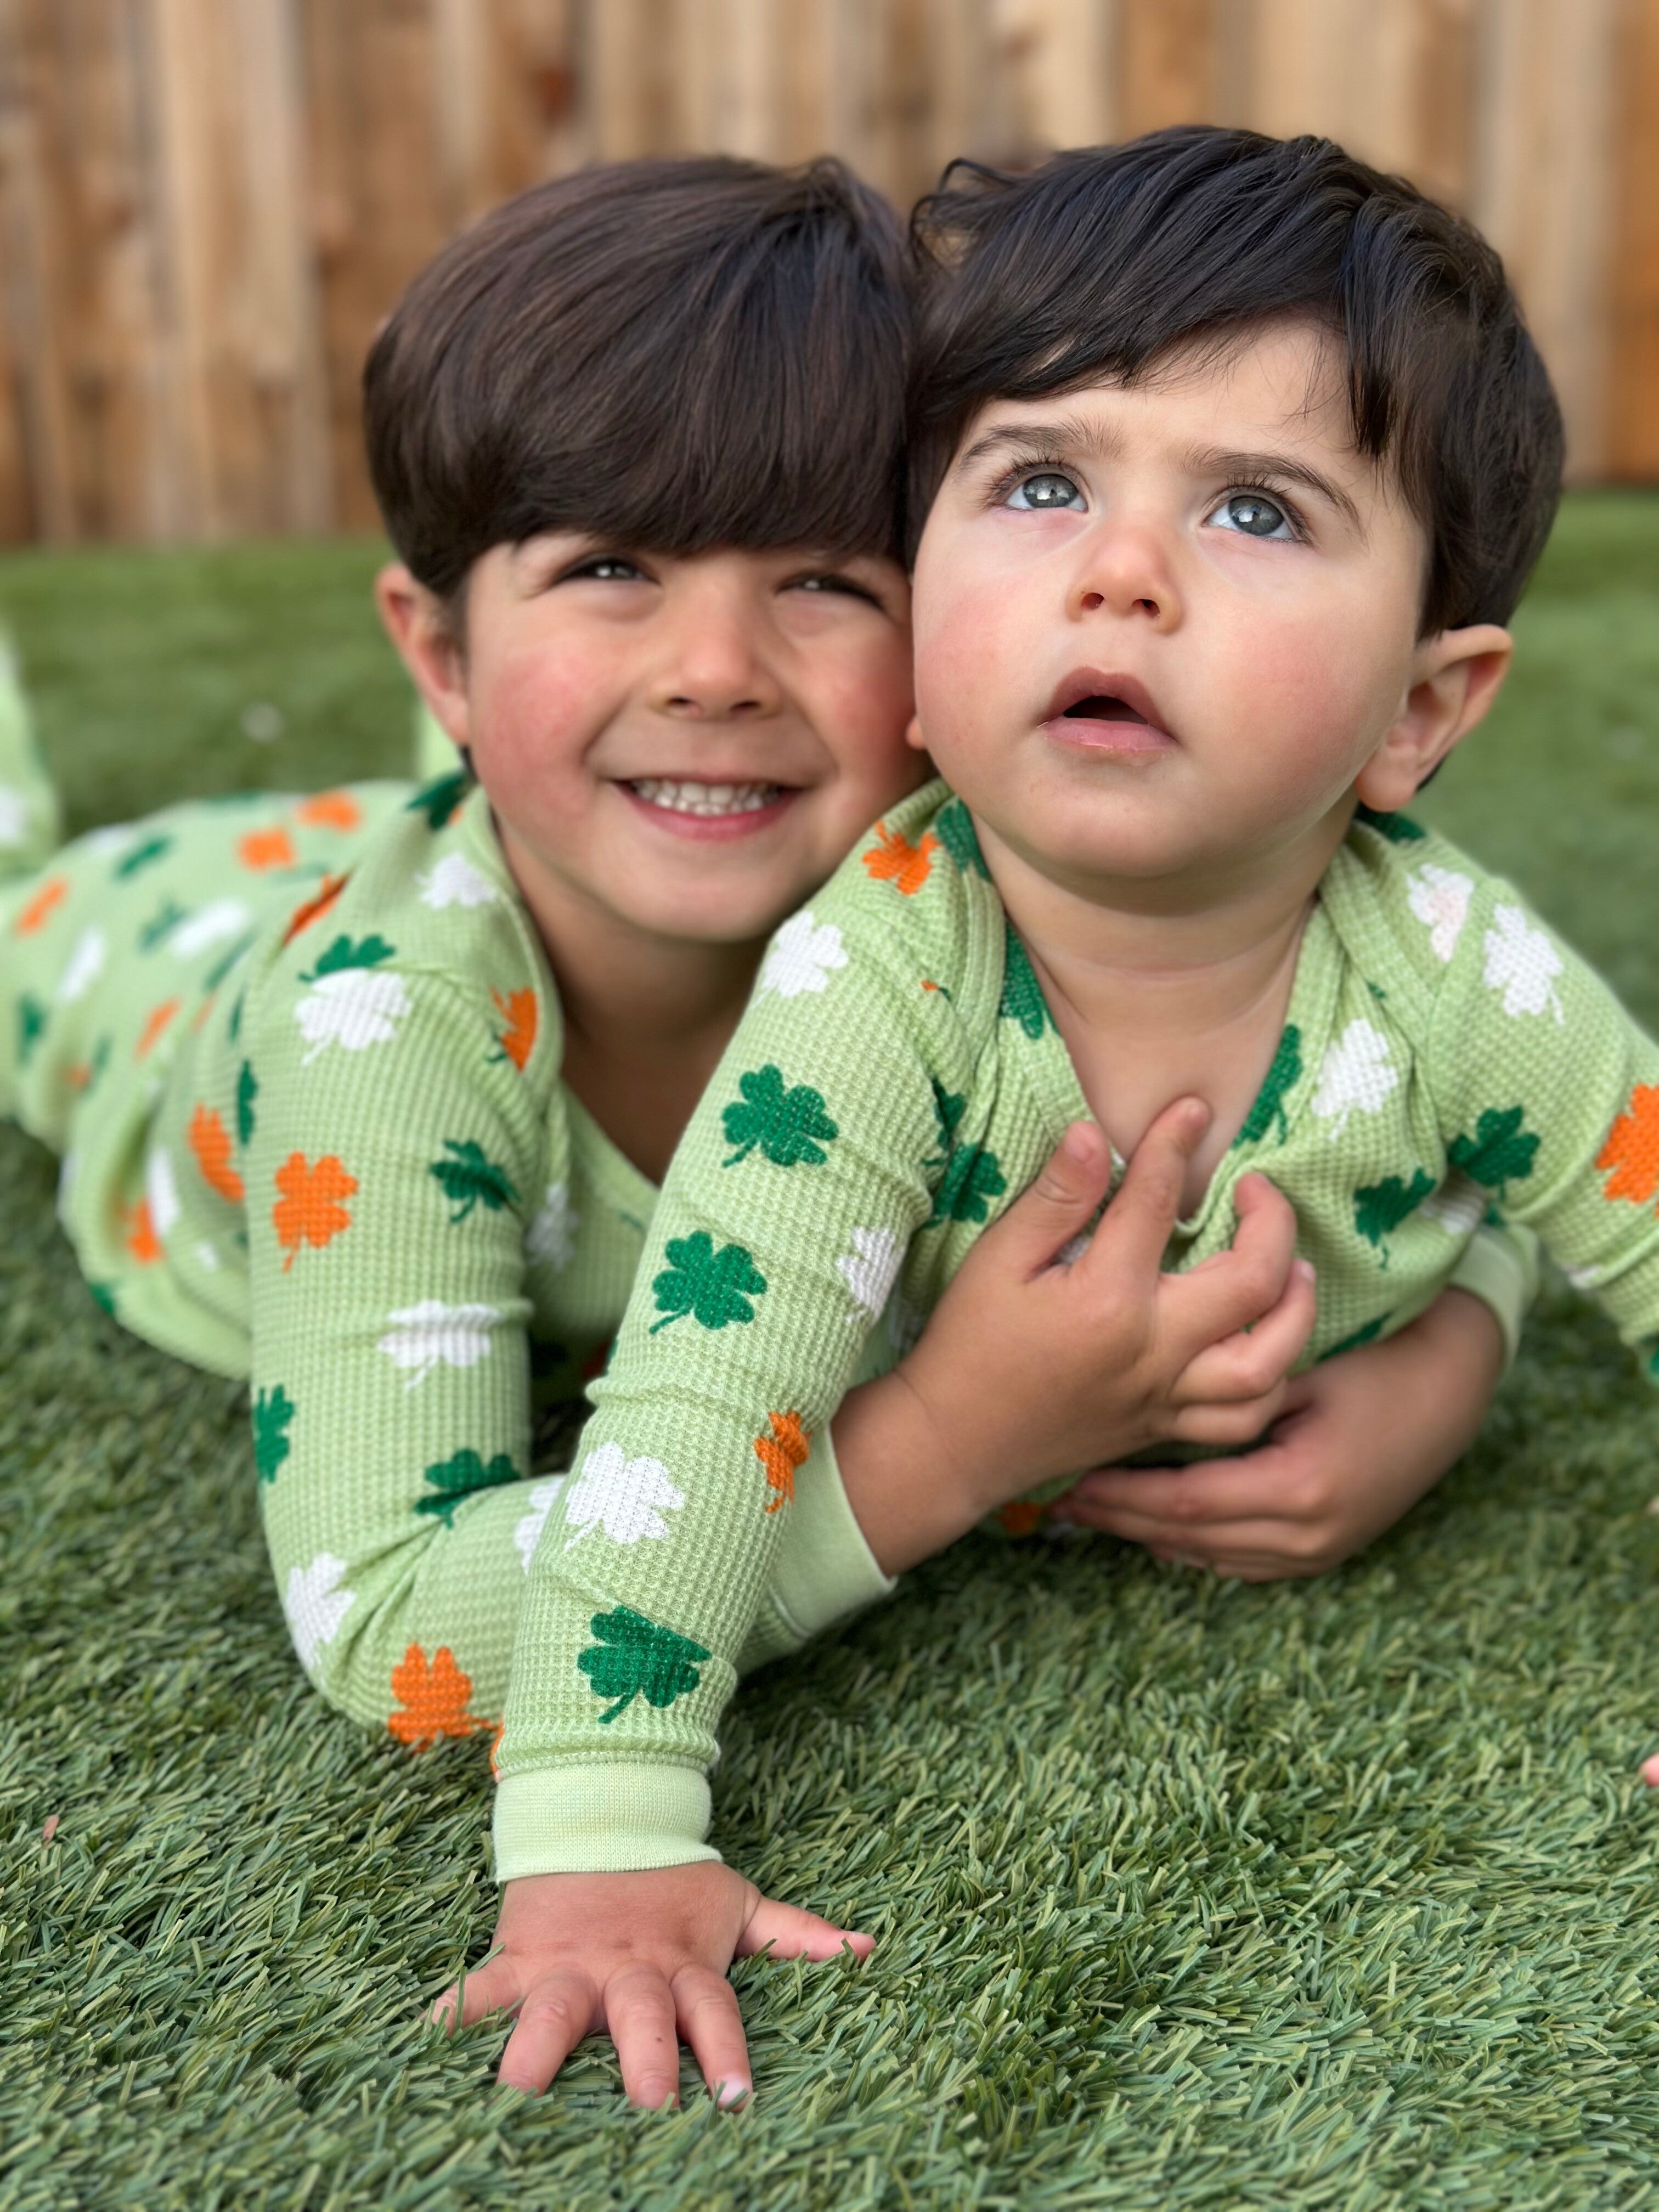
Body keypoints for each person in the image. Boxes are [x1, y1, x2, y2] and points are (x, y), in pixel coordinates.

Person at [0, 147, 1530, 2111]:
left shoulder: (1044, 863)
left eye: (827, 581)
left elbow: (1434, 1074)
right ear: (437, 649)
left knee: (608, 760)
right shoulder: (378, 1043)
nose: (722, 667)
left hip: (550, 810)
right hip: (168, 1003)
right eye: (612, 565)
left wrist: (1455, 1346)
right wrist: (957, 1440)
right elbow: (395, 1626)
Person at [460, 126, 1652, 2103]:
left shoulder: (1463, 974)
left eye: (1258, 512)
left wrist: (1462, 1340)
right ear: (919, 639)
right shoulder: (879, 980)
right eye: (1036, 482)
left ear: (1422, 715)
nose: (1119, 570)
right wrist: (601, 1828)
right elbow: (692, 1406)